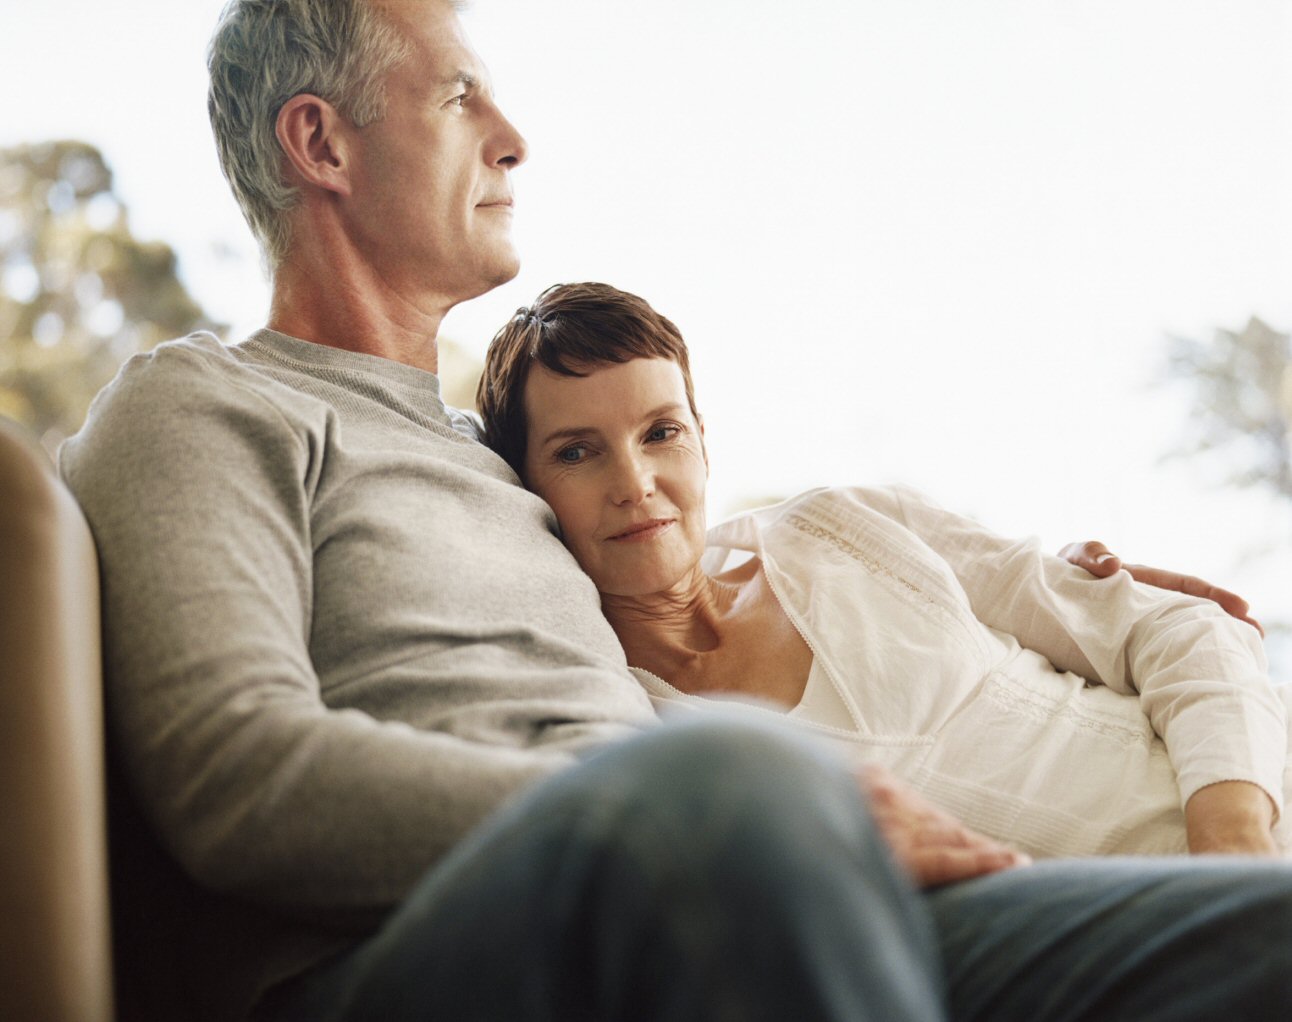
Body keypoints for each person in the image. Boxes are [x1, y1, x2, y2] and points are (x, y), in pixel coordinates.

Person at [57, 1, 1292, 1020]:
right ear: (320, 146)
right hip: (450, 946)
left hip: (748, 885)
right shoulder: (203, 403)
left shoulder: (505, 475)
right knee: (739, 782)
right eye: (457, 97)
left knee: (1254, 936)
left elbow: (691, 558)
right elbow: (235, 777)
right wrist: (688, 808)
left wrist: (1080, 586)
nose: (513, 137)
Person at [478, 281, 1292, 862]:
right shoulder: (623, 717)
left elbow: (1177, 628)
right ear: (526, 486)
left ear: (703, 441)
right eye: (578, 451)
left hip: (1252, 792)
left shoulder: (844, 527)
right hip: (1132, 949)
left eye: (661, 433)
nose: (636, 483)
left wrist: (1231, 841)